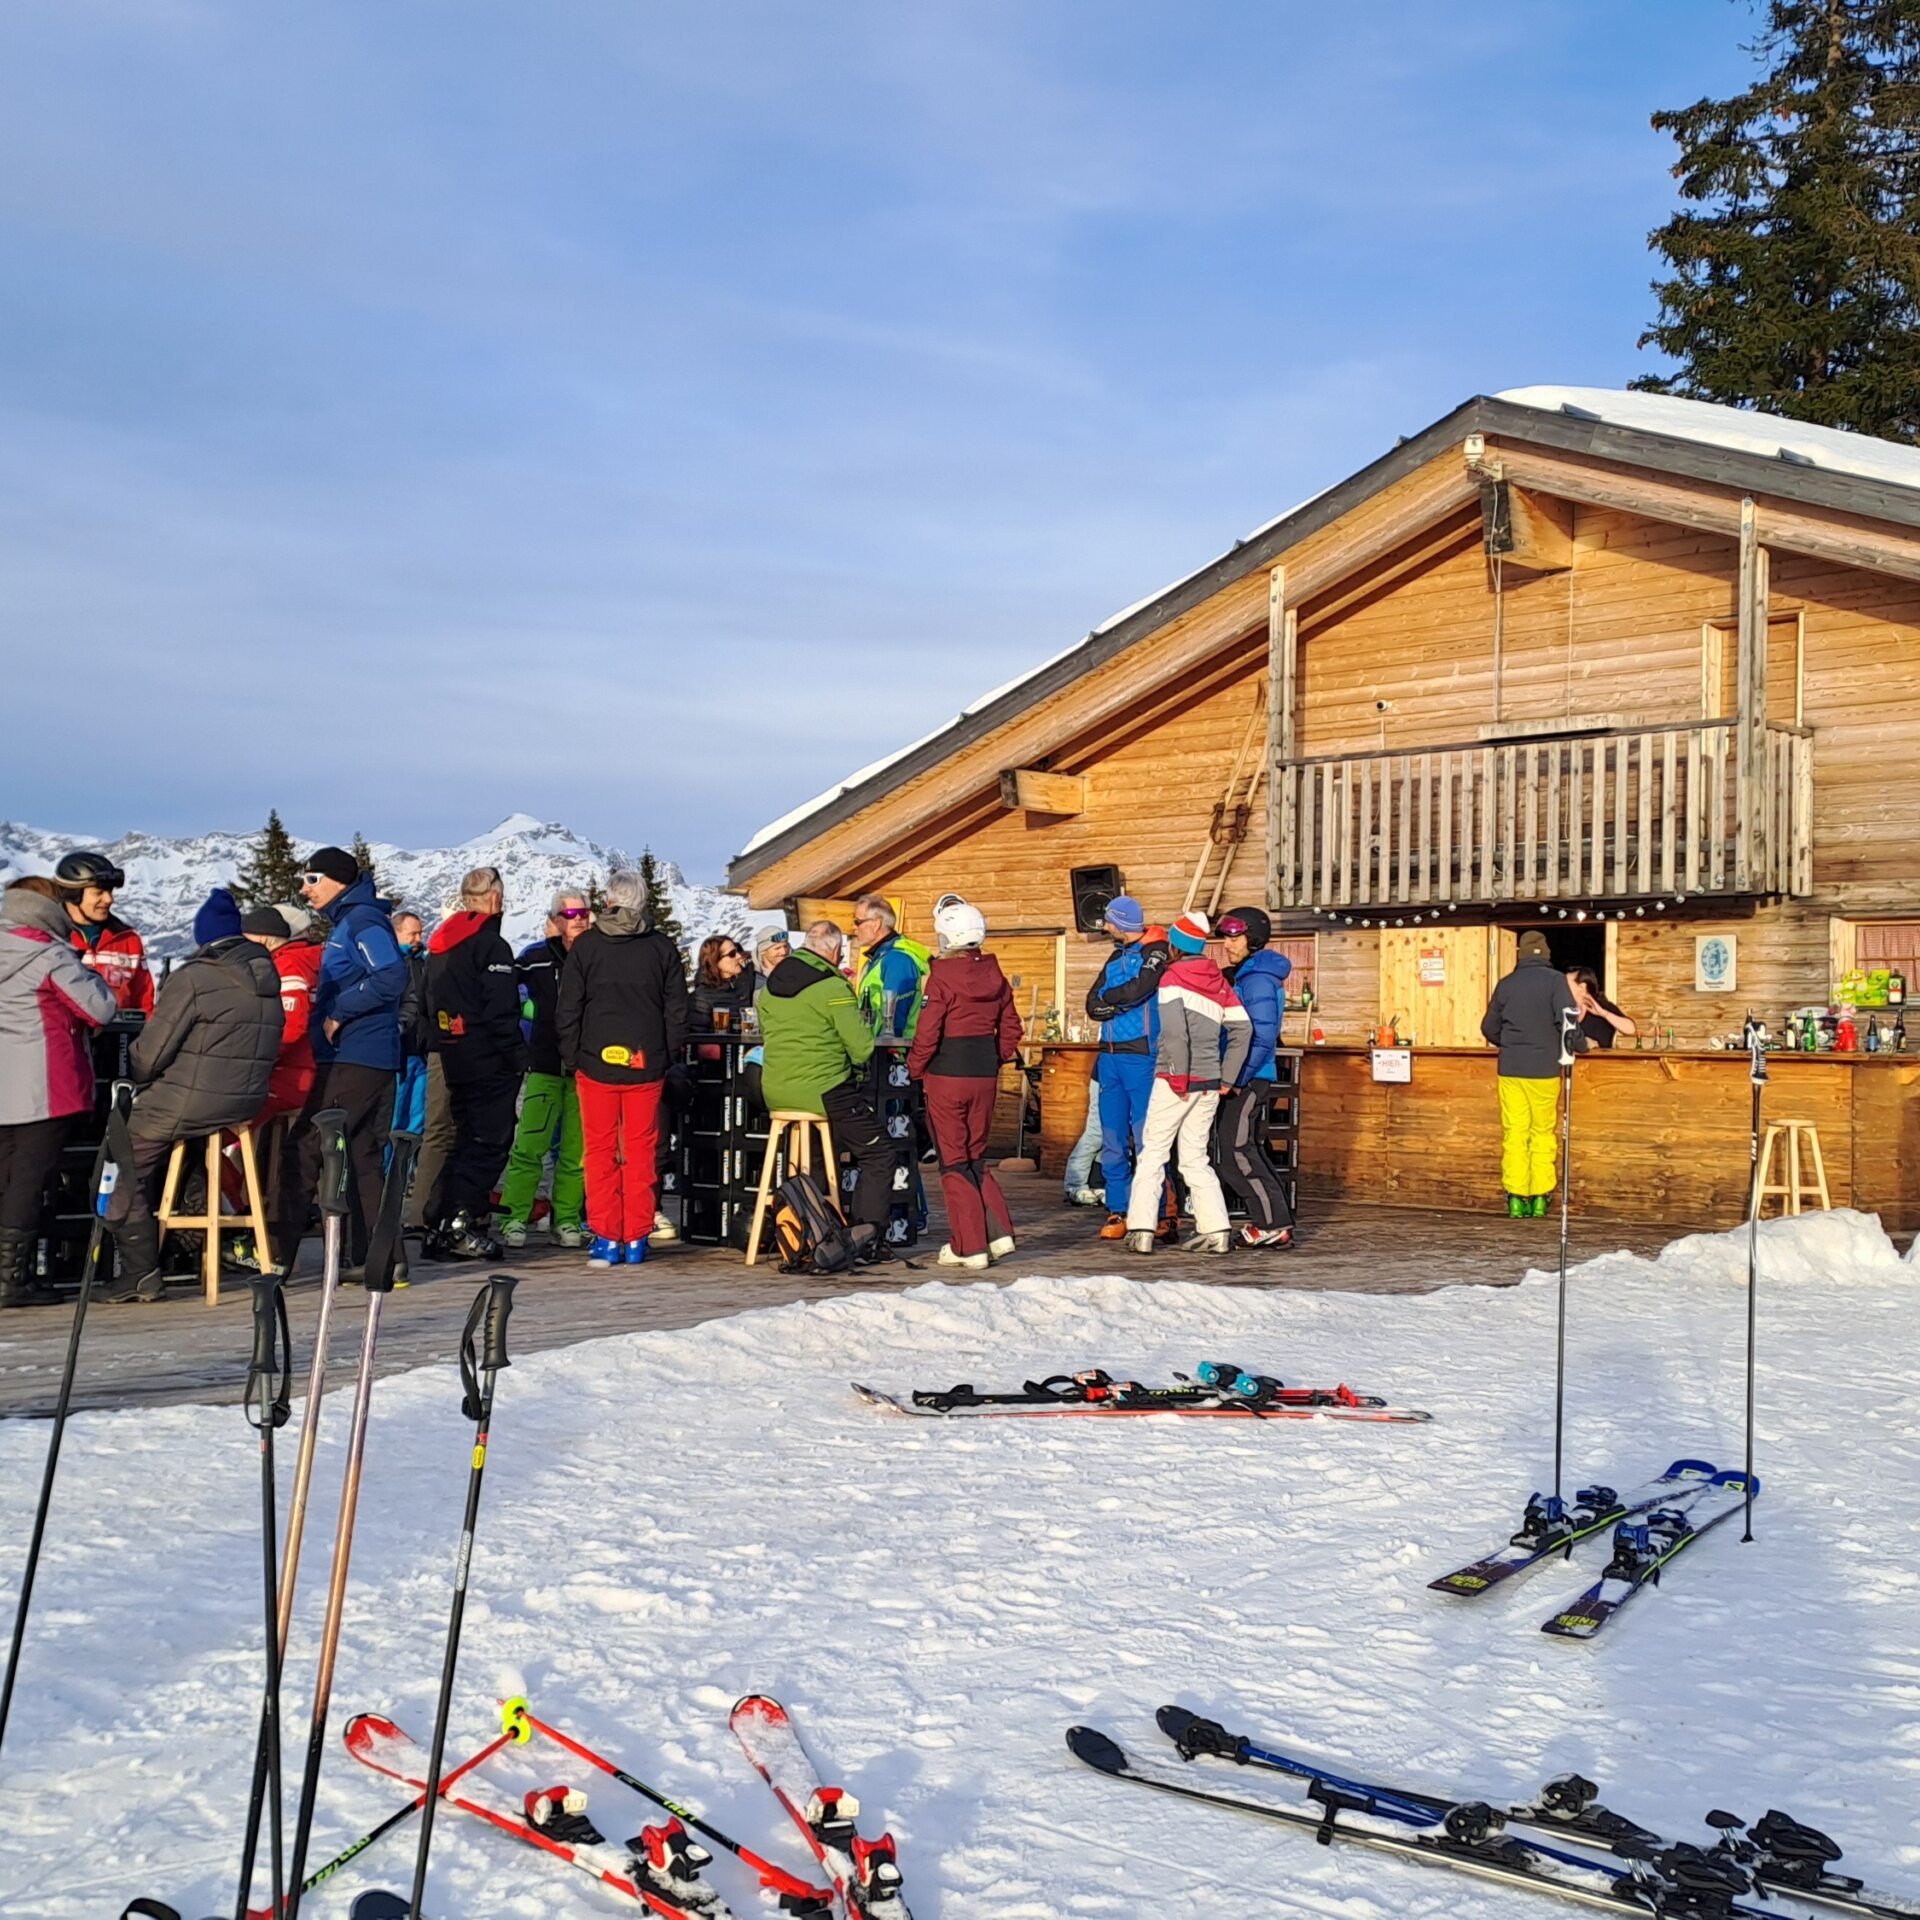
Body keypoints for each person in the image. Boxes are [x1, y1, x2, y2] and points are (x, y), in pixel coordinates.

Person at [100, 890, 284, 1302]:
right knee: (186, 1156)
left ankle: (139, 1272)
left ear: (204, 938)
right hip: (245, 1101)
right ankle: (197, 1247)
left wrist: (136, 1064)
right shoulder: (267, 976)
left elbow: (149, 1057)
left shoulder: (196, 977)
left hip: (191, 1101)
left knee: (119, 1163)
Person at [274, 845, 406, 1275]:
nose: (304, 888)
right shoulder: (348, 922)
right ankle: (380, 1259)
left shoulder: (362, 920)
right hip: (354, 1054)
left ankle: (275, 1253)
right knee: (361, 1152)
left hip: (358, 1053)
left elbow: (391, 976)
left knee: (307, 1143)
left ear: (338, 881)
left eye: (312, 879)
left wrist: (337, 1012)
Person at [557, 869, 689, 1267]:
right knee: (641, 1151)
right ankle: (635, 1237)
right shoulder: (661, 948)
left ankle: (605, 1237)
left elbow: (569, 1007)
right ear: (642, 901)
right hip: (645, 1063)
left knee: (597, 1151)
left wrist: (573, 1054)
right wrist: (665, 1055)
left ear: (609, 901)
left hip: (595, 1062)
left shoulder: (586, 946)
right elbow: (676, 1010)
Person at [0, 876, 117, 1307]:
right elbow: (99, 1007)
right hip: (46, 1086)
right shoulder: (50, 956)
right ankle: (12, 1278)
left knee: (5, 1178)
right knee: (30, 1183)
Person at [758, 920, 894, 1251]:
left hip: (775, 1090)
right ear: (835, 951)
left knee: (819, 1150)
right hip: (824, 1090)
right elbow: (861, 1048)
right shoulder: (832, 987)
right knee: (879, 1152)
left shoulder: (771, 984)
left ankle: (810, 1232)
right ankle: (865, 1237)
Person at [1123, 911, 1250, 1256]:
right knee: (1195, 1158)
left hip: (1175, 1079)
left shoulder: (1171, 978)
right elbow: (1243, 1029)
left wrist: (1178, 1075)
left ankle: (1142, 1229)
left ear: (1176, 946)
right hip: (1209, 1081)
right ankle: (1218, 1231)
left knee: (1153, 1153)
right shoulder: (1220, 982)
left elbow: (1176, 1033)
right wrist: (1227, 1076)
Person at [906, 901, 1023, 1269]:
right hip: (983, 1075)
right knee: (976, 1156)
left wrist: (915, 1069)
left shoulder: (941, 978)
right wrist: (994, 1057)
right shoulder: (996, 976)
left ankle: (968, 1246)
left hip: (946, 1075)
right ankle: (998, 1232)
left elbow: (927, 1032)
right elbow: (1012, 1027)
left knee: (954, 1161)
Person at [423, 866, 526, 1260]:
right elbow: (500, 1008)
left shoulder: (442, 943)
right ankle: (459, 1224)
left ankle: (440, 1220)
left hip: (453, 1050)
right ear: (495, 898)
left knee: (464, 1139)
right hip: (488, 1056)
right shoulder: (490, 946)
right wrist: (517, 1055)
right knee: (488, 1142)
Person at [499, 890, 591, 1249]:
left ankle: (566, 1217)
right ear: (555, 920)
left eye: (584, 911)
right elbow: (510, 998)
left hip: (584, 1067)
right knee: (530, 1147)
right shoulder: (535, 958)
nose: (579, 918)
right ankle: (514, 1217)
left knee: (576, 1151)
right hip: (544, 1064)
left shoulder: (596, 956)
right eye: (569, 913)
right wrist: (525, 1033)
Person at [1084, 895, 1172, 1240]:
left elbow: (1141, 989)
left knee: (1148, 1136)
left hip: (1142, 1054)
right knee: (1112, 1137)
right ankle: (1118, 1209)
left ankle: (1160, 1209)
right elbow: (1092, 999)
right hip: (1109, 1055)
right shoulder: (1116, 954)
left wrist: (1110, 1000)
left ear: (1123, 922)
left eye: (1108, 921)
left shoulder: (1156, 950)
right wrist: (1104, 1004)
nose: (1105, 927)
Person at [1482, 929, 1584, 1218]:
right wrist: (1580, 1045)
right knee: (1542, 1133)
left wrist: (1513, 1043)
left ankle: (1516, 1198)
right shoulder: (1555, 982)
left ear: (1521, 955)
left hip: (1511, 1070)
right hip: (1545, 1071)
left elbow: (1489, 1028)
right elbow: (1567, 1021)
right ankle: (1540, 1198)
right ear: (1547, 955)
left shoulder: (1506, 984)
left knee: (1515, 1133)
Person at [1214, 907, 1294, 1249]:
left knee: (1234, 1151)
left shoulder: (1258, 979)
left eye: (1236, 937)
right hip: (1239, 1074)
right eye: (1227, 937)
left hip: (1249, 1076)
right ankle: (1275, 1219)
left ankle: (1272, 1223)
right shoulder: (1245, 975)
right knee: (1243, 1149)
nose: (1228, 944)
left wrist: (1235, 1077)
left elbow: (1262, 1035)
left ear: (1255, 939)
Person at [53, 849, 153, 1015]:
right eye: (98, 893)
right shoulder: (46, 937)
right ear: (73, 895)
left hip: (119, 1038)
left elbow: (144, 1002)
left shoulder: (128, 940)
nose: (109, 899)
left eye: (110, 892)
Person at [851, 896, 929, 1042]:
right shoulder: (880, 958)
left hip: (897, 1050)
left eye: (858, 922)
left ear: (876, 924)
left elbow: (895, 1014)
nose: (854, 928)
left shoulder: (897, 960)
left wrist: (887, 1050)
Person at [391, 910, 432, 1138]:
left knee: (417, 1118)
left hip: (421, 1051)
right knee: (394, 1115)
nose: (418, 938)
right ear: (396, 933)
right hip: (399, 1052)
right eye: (412, 934)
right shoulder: (389, 963)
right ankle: (387, 1170)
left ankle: (406, 1167)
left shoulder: (424, 963)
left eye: (420, 933)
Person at [692, 934, 758, 1027]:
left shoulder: (746, 981)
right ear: (715, 961)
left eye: (737, 951)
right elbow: (698, 1036)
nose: (739, 956)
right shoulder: (701, 998)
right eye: (732, 954)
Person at [1569, 965, 1637, 1050]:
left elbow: (1631, 1029)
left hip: (1600, 1062)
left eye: (1566, 984)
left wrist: (1603, 1013)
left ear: (1582, 988)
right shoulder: (1562, 1007)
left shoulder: (1601, 1006)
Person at [1062, 1076, 1104, 1207]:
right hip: (1106, 1076)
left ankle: (1097, 1182)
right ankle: (1075, 1185)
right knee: (1096, 1133)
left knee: (1114, 1134)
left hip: (1134, 1074)